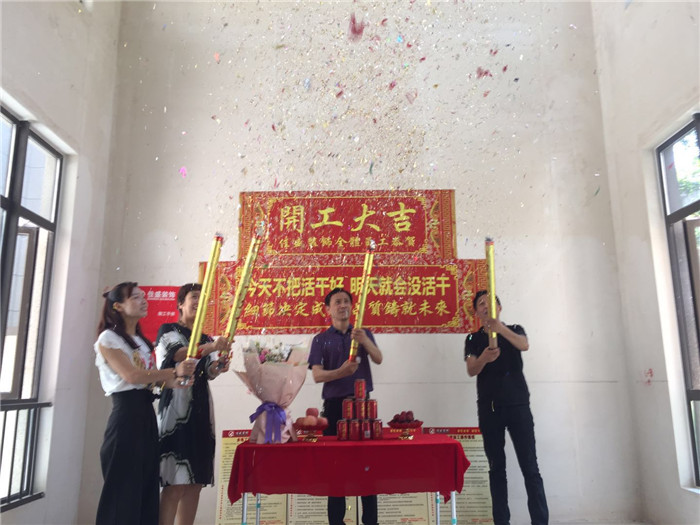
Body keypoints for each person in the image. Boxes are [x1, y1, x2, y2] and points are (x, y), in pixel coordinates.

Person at [94, 282, 196, 525]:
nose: (144, 301)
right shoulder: (108, 338)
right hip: (125, 418)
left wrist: (174, 382)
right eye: (136, 297)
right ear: (118, 306)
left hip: (145, 416)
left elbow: (150, 382)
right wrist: (173, 371)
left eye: (143, 296)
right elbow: (132, 376)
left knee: (145, 488)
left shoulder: (140, 341)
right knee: (123, 493)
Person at [464, 290, 549, 525]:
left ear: (499, 308)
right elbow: (471, 369)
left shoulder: (515, 329)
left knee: (530, 467)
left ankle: (540, 521)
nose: (485, 306)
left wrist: (499, 328)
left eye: (490, 302)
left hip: (518, 406)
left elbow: (524, 344)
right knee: (496, 469)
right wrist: (484, 358)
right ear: (476, 312)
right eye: (481, 304)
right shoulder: (472, 339)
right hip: (489, 410)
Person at [156, 283, 231, 525]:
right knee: (174, 483)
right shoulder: (168, 330)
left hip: (200, 409)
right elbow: (180, 354)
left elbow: (208, 371)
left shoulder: (206, 337)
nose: (199, 301)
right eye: (194, 297)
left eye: (203, 298)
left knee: (195, 482)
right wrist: (212, 347)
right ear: (181, 303)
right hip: (175, 409)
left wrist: (219, 365)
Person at [308, 287, 383, 525]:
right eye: (337, 302)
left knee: (367, 468)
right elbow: (317, 376)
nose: (343, 305)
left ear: (352, 307)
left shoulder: (363, 333)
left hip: (363, 408)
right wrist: (341, 372)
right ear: (328, 309)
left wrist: (364, 341)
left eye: (346, 301)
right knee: (336, 471)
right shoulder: (320, 339)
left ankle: (370, 522)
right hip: (334, 409)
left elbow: (379, 358)